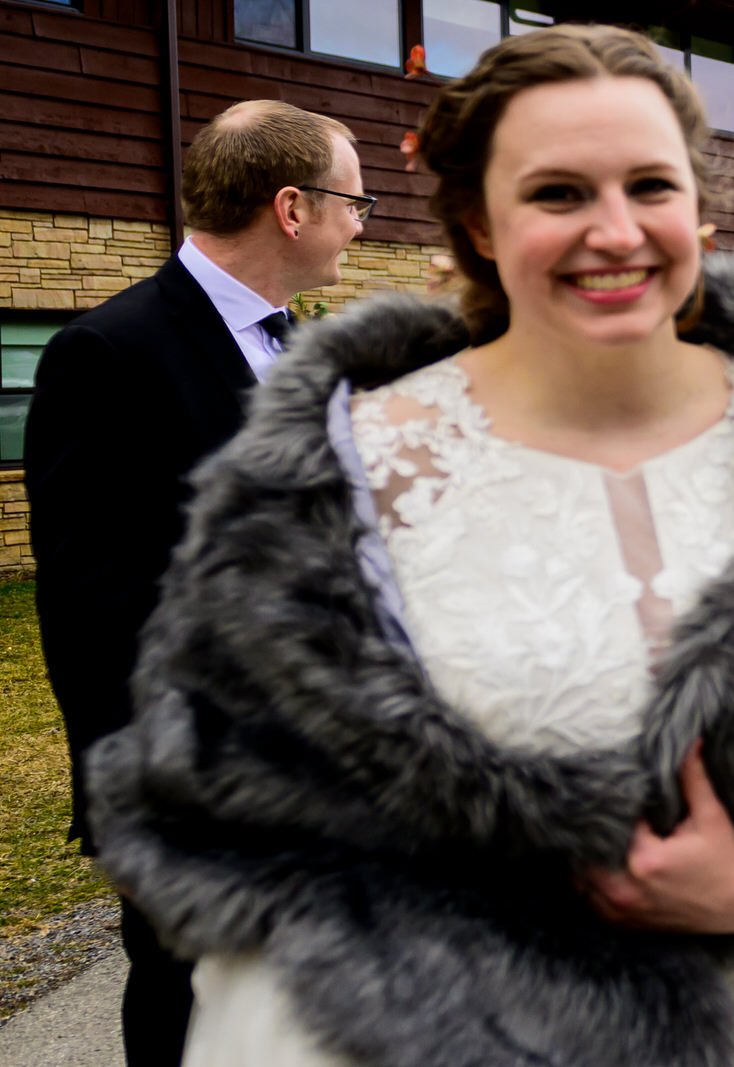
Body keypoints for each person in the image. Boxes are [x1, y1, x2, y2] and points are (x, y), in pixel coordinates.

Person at [85, 25, 734, 1067]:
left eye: (651, 186)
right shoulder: (346, 466)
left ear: (701, 209)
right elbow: (239, 815)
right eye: (558, 193)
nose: (615, 230)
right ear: (479, 221)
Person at [22, 100, 368, 1066]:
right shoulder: (110, 354)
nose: (363, 221)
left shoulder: (296, 350)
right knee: (193, 1011)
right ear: (292, 208)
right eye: (355, 200)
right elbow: (94, 612)